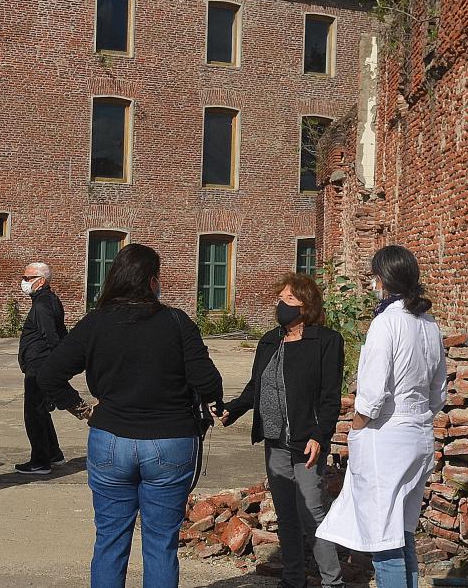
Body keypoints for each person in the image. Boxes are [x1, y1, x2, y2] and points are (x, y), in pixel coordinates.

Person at [38, 243, 223, 588]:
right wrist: (213, 400)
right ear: (152, 281)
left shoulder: (96, 322)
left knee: (109, 539)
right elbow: (207, 380)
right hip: (170, 440)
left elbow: (49, 374)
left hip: (111, 439)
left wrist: (82, 410)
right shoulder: (176, 321)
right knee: (160, 544)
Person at [316, 246, 446, 588]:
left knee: (383, 538)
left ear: (382, 280)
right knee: (403, 533)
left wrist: (356, 431)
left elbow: (370, 398)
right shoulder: (429, 324)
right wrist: (414, 417)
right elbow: (439, 393)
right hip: (419, 432)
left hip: (385, 434)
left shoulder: (385, 324)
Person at [220, 272, 345, 588]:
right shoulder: (269, 340)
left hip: (306, 443)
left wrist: (320, 435)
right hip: (275, 440)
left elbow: (330, 398)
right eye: (280, 298)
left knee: (313, 513)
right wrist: (231, 410)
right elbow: (254, 388)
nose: (281, 305)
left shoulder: (326, 342)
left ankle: (333, 582)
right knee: (287, 516)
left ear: (306, 305)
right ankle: (292, 579)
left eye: (289, 299)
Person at [15, 261, 67, 475]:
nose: (23, 282)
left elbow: (52, 336)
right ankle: (53, 453)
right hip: (40, 364)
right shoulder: (50, 300)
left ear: (41, 281)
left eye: (28, 278)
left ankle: (40, 461)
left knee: (34, 413)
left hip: (39, 365)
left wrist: (57, 366)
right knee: (41, 411)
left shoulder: (42, 304)